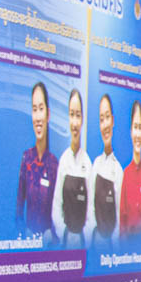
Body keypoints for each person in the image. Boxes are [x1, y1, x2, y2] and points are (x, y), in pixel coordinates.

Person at [16, 81, 57, 239]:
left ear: (48, 115)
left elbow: (58, 215)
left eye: (41, 109)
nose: (38, 117)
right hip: (29, 246)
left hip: (49, 249)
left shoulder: (55, 165)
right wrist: (24, 233)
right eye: (34, 109)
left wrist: (51, 234)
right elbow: (18, 212)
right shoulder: (26, 159)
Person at [52, 86, 91, 244]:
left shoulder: (87, 163)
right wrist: (64, 234)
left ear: (82, 120)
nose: (75, 123)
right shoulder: (63, 161)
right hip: (65, 242)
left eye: (78, 115)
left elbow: (91, 210)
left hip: (83, 243)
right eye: (71, 115)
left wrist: (83, 237)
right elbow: (56, 205)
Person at [89, 91, 121, 244]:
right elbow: (90, 207)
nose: (105, 124)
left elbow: (118, 216)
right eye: (101, 119)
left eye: (107, 117)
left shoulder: (118, 170)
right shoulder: (95, 164)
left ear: (113, 121)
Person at [120, 98, 141, 242]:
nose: (138, 134)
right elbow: (122, 219)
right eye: (135, 127)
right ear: (130, 132)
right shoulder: (125, 173)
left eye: (140, 128)